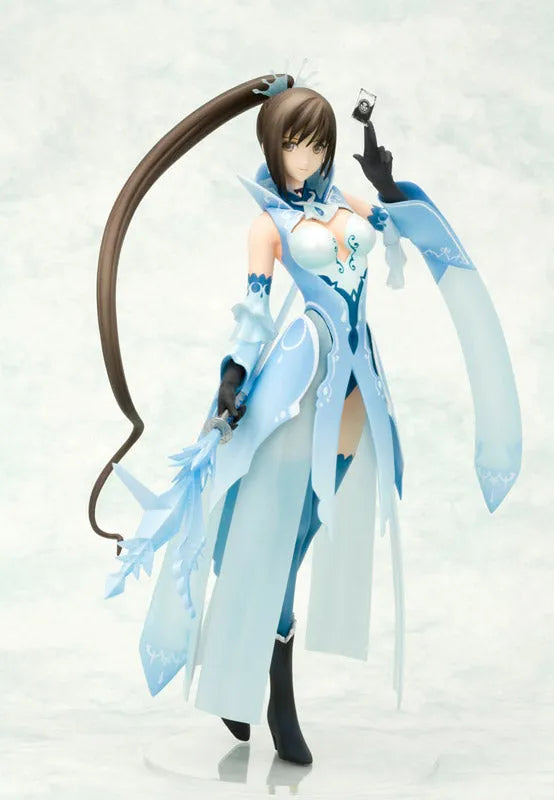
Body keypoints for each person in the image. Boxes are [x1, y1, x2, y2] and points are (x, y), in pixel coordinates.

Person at [90, 73, 521, 766]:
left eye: (318, 145)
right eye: (295, 144)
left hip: (357, 387)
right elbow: (254, 312)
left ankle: (246, 668)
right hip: (299, 383)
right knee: (273, 540)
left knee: (303, 534)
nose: (309, 157)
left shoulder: (342, 201)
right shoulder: (268, 225)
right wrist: (232, 377)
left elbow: (398, 231)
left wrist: (387, 185)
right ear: (274, 145)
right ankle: (275, 697)